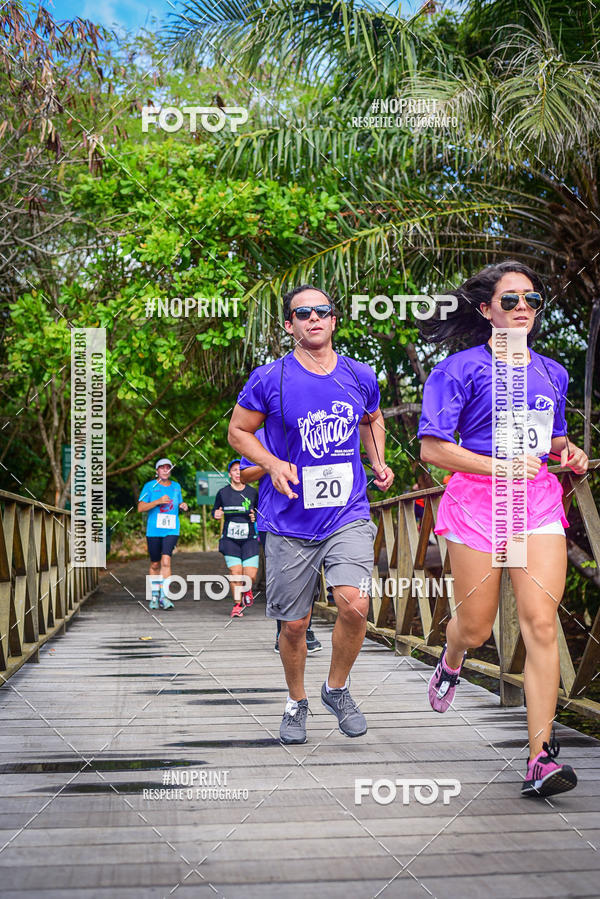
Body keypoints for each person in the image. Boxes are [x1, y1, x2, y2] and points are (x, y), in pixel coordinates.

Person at [417, 260, 588, 798]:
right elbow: (432, 447)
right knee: (476, 628)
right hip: (475, 506)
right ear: (487, 309)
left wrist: (570, 453)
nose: (521, 309)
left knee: (540, 624)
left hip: (535, 504)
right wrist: (499, 466)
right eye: (509, 300)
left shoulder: (552, 373)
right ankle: (453, 658)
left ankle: (540, 756)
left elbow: (551, 441)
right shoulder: (458, 370)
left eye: (531, 301)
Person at [228, 284, 394, 744]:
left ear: (334, 319)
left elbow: (372, 418)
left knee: (355, 603)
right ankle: (296, 700)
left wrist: (377, 460)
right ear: (290, 325)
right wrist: (273, 463)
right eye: (303, 313)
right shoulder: (270, 378)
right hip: (288, 519)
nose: (314, 318)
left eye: (323, 311)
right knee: (295, 624)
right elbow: (238, 432)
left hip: (348, 511)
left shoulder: (360, 375)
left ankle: (335, 689)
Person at [239, 428, 322, 654]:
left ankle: (307, 628)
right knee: (284, 578)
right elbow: (244, 474)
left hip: (314, 515)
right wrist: (271, 464)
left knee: (311, 577)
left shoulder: (317, 427)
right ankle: (282, 631)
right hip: (276, 517)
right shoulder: (263, 433)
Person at [137, 458, 188, 610]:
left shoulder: (176, 487)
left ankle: (164, 596)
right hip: (154, 530)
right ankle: (154, 595)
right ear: (157, 471)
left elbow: (178, 503)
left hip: (171, 528)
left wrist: (182, 505)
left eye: (168, 468)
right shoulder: (149, 486)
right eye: (162, 468)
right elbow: (140, 507)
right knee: (155, 563)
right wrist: (157, 501)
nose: (165, 470)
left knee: (166, 560)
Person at [212, 459, 259, 618]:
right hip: (230, 539)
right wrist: (216, 514)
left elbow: (259, 513)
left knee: (250, 576)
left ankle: (247, 589)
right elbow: (215, 510)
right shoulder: (223, 493)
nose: (238, 473)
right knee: (235, 573)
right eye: (235, 470)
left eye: (241, 470)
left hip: (249, 538)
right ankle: (237, 605)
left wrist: (255, 517)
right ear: (229, 474)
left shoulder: (252, 493)